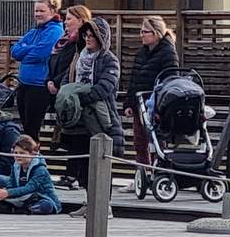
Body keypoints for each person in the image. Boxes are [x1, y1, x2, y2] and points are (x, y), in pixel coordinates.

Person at [57, 16, 124, 212]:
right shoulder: (77, 57)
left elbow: (105, 87)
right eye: (85, 35)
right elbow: (66, 81)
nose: (88, 39)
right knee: (82, 163)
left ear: (101, 37)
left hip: (100, 117)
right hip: (77, 120)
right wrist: (65, 96)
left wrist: (80, 99)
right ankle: (89, 201)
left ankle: (104, 205)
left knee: (101, 162)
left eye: (92, 35)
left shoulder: (109, 60)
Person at [125, 15, 178, 184]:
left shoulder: (168, 52)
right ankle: (142, 176)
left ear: (156, 33)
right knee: (139, 141)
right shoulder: (142, 53)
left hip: (157, 104)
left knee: (157, 141)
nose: (141, 35)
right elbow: (134, 79)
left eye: (145, 31)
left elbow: (170, 78)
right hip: (140, 103)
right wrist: (129, 103)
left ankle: (159, 174)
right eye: (141, 31)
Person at [46, 4, 92, 189]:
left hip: (76, 97)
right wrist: (50, 81)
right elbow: (58, 63)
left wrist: (59, 84)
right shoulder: (64, 42)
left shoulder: (80, 44)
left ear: (81, 21)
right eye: (65, 19)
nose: (66, 23)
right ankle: (72, 174)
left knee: (78, 138)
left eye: (69, 19)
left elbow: (71, 67)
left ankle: (74, 175)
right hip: (62, 92)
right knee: (70, 137)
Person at [11, 0, 64, 141]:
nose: (38, 14)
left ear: (53, 11)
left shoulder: (55, 31)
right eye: (36, 10)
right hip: (24, 84)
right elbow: (14, 51)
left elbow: (41, 53)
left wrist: (26, 51)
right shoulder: (34, 31)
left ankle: (32, 159)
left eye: (42, 11)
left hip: (39, 85)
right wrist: (29, 49)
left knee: (32, 129)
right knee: (26, 126)